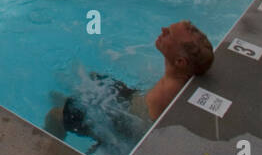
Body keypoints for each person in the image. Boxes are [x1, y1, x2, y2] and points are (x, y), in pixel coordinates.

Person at [46, 21, 215, 143]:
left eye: (168, 33)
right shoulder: (179, 74)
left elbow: (143, 129)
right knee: (94, 77)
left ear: (180, 62)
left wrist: (109, 136)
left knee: (54, 115)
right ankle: (71, 103)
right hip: (134, 100)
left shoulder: (172, 88)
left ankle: (48, 144)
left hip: (124, 119)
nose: (163, 29)